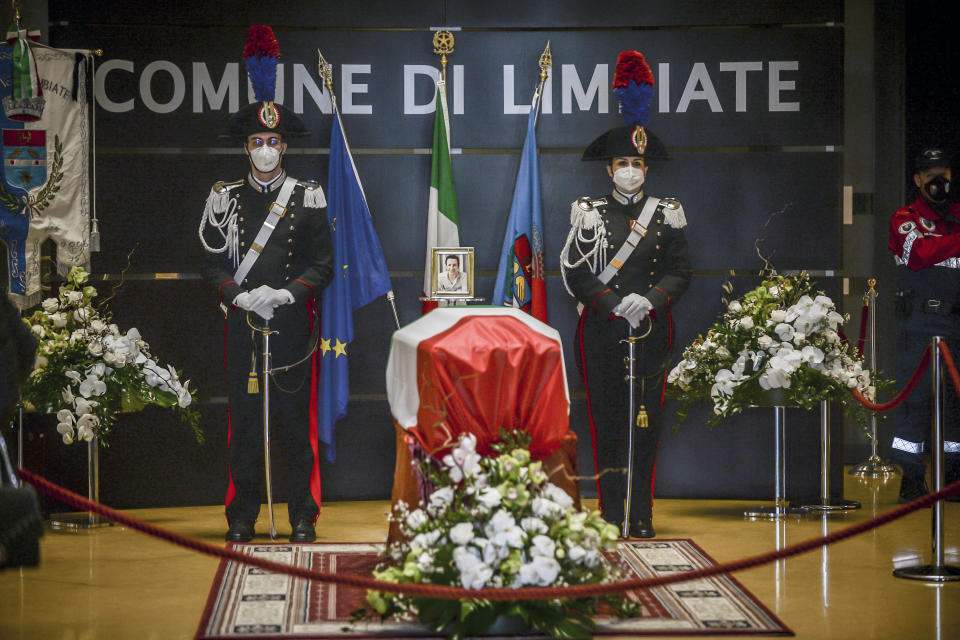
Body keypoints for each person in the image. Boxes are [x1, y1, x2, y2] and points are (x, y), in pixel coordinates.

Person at [198, 26, 333, 543]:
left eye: (273, 142)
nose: (266, 150)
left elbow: (323, 263)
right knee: (246, 428)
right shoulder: (225, 198)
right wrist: (237, 294)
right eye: (258, 142)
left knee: (295, 426)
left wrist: (287, 293)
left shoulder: (309, 196)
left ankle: (302, 513)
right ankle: (242, 515)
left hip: (294, 328)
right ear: (246, 147)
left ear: (284, 146)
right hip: (244, 327)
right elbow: (210, 263)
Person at [561, 51, 691, 538]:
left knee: (647, 421)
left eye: (637, 163)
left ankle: (642, 514)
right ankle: (612, 513)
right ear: (608, 169)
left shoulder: (668, 212)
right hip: (602, 329)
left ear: (647, 169)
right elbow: (575, 271)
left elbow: (681, 270)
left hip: (652, 330)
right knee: (607, 421)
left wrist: (651, 300)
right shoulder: (588, 211)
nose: (630, 170)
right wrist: (614, 303)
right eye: (622, 163)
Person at [888, 147, 960, 502]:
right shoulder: (906, 217)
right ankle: (911, 477)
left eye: (943, 174)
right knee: (916, 402)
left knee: (955, 403)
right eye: (930, 175)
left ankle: (952, 475)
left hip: (956, 323)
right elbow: (919, 255)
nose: (938, 181)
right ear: (917, 180)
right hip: (920, 323)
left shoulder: (958, 215)